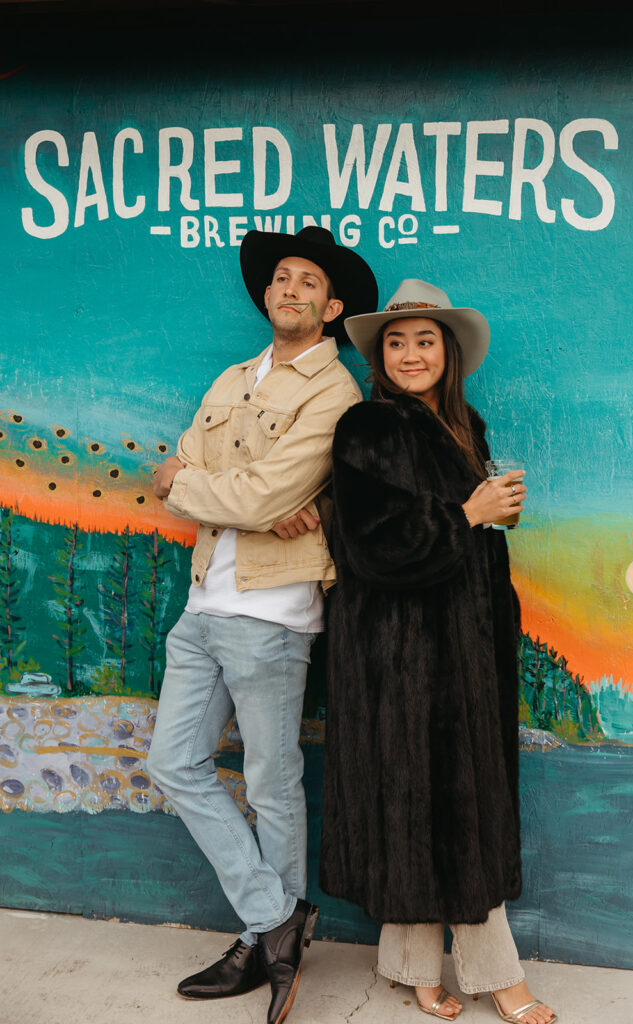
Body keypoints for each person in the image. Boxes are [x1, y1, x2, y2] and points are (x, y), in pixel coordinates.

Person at [147, 226, 377, 1024]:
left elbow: (249, 495)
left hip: (272, 617)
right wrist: (239, 497)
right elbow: (171, 471)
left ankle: (266, 940)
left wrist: (230, 493)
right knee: (173, 762)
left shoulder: (332, 392)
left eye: (307, 281)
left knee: (273, 786)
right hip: (203, 603)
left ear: (331, 305)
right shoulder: (232, 378)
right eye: (281, 278)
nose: (289, 288)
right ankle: (274, 916)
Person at [319, 280, 557, 1024]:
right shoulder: (366, 427)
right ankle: (500, 977)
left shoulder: (464, 426)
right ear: (379, 358)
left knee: (425, 805)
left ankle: (410, 965)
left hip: (459, 651)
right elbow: (372, 546)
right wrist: (467, 514)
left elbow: (456, 529)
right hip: (399, 656)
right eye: (396, 342)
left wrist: (485, 521)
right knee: (448, 806)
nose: (411, 353)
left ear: (447, 353)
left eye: (424, 340)